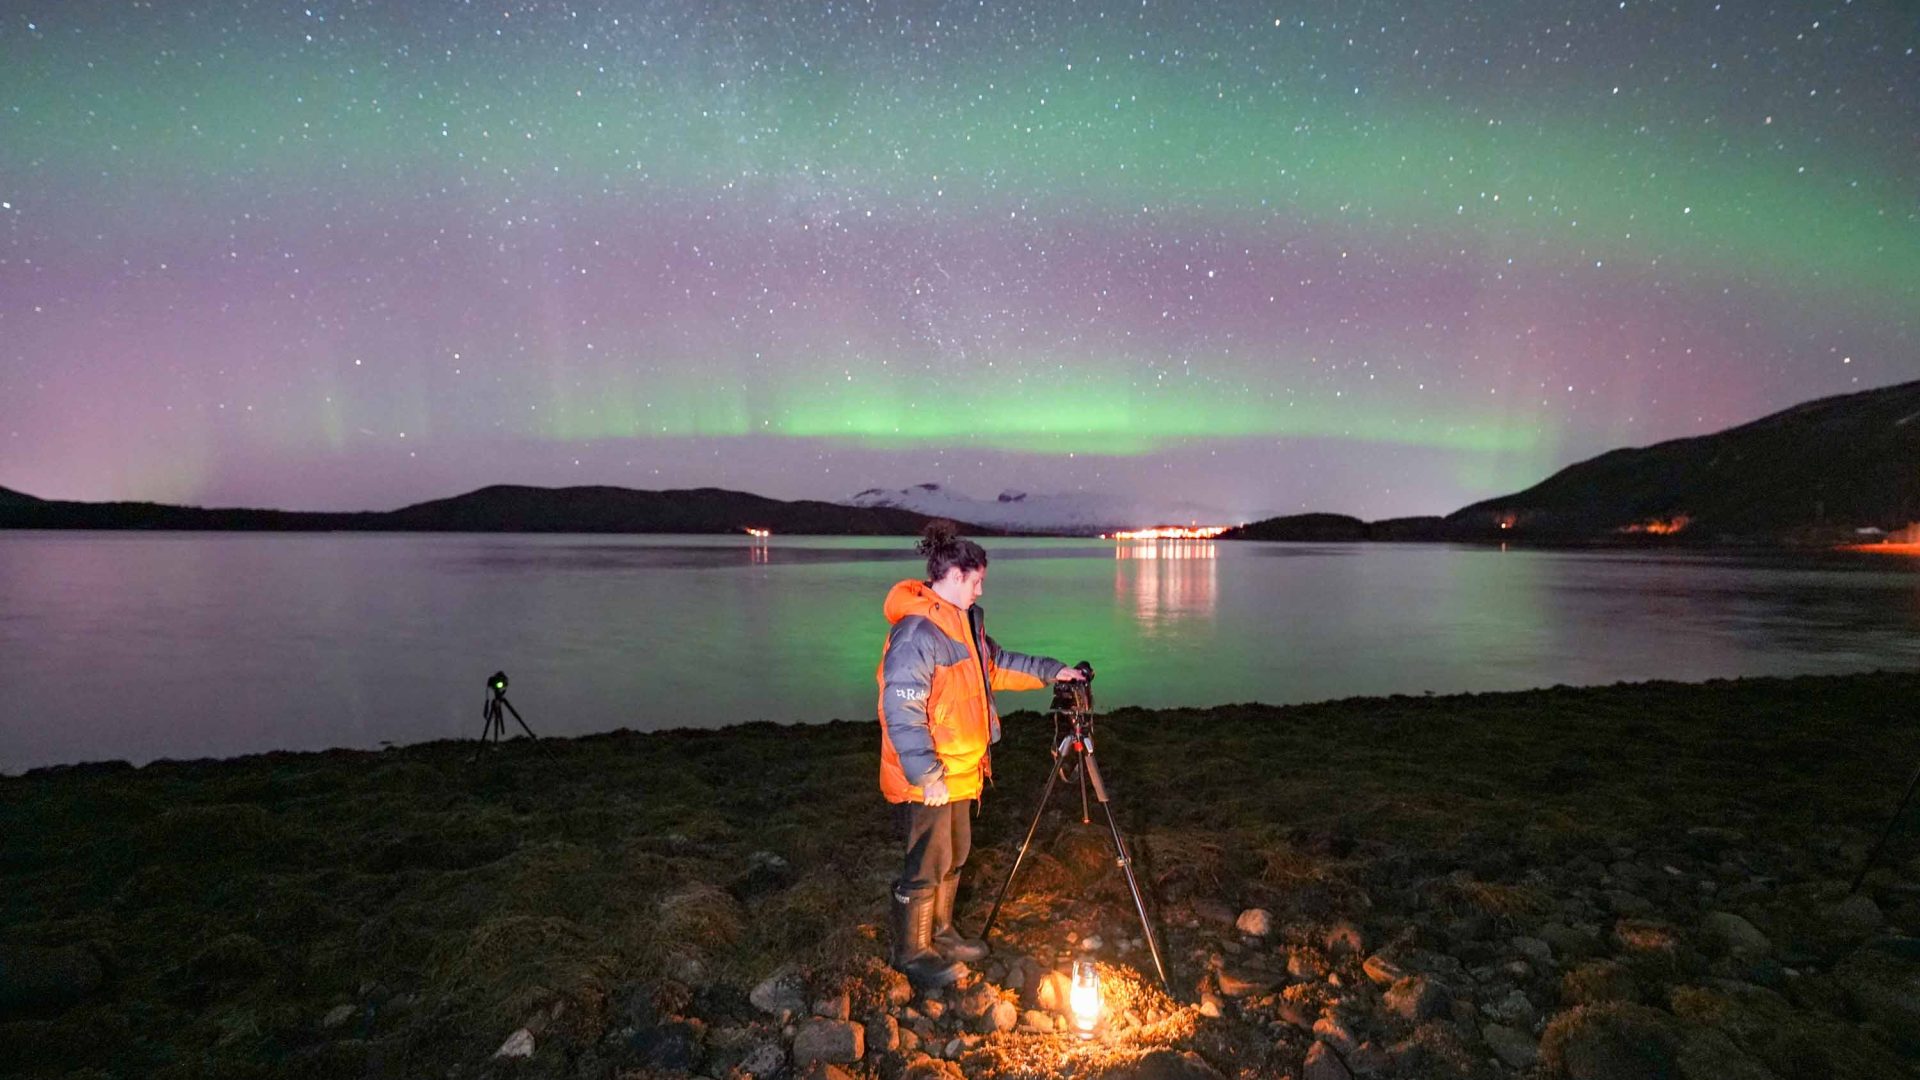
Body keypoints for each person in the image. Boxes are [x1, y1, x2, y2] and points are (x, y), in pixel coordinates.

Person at [875, 520, 1086, 988]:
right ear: (952, 576)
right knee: (926, 860)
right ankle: (911, 951)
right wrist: (926, 773)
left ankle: (943, 933)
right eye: (976, 580)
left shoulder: (965, 623)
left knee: (954, 854)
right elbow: (901, 707)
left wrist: (1055, 672)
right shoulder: (918, 631)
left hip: (962, 770)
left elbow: (998, 665)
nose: (980, 588)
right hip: (928, 776)